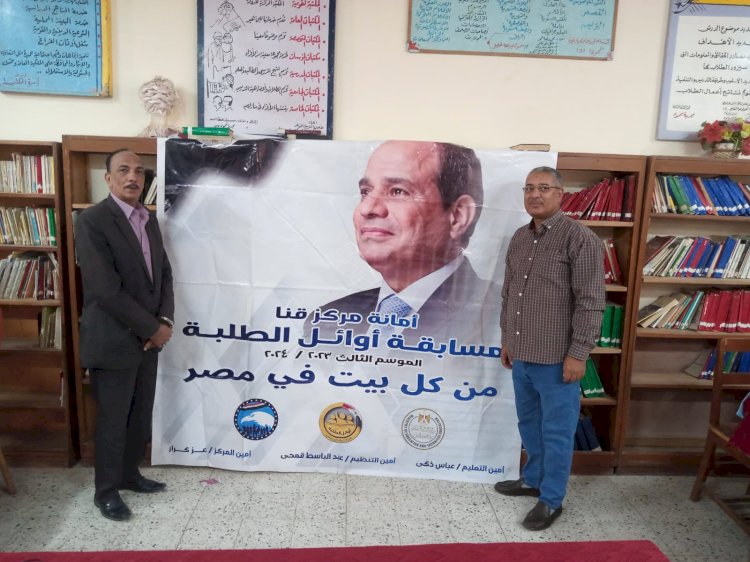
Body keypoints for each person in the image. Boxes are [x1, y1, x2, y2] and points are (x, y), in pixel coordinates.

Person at [495, 166, 605, 531]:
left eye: (544, 188)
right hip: (522, 353)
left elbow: (591, 302)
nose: (535, 194)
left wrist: (579, 353)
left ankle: (551, 499)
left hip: (558, 359)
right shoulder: (519, 237)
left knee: (557, 431)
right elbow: (510, 294)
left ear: (560, 194)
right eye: (529, 188)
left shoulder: (580, 238)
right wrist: (508, 339)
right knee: (528, 423)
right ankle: (533, 479)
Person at [306, 140, 500, 347]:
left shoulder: (501, 316)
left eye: (397, 191)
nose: (367, 208)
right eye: (365, 191)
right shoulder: (328, 320)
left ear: (458, 216)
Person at [75, 149, 175, 522]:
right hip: (113, 339)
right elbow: (105, 289)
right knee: (113, 422)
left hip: (148, 342)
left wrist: (164, 320)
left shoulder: (148, 220)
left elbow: (164, 274)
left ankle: (130, 475)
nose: (132, 177)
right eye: (123, 170)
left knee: (139, 417)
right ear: (108, 178)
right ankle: (106, 492)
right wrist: (153, 329)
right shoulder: (92, 220)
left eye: (138, 171)